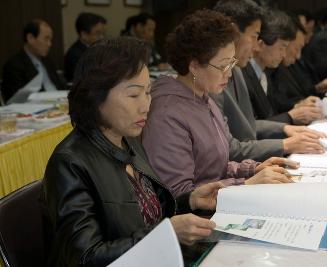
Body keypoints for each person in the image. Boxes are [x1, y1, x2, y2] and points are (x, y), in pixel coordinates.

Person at [40, 37, 225, 266]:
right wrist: (164, 235)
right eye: (133, 95)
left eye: (148, 92)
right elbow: (84, 257)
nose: (145, 105)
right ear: (96, 95)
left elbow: (146, 213)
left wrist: (190, 201)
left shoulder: (128, 139)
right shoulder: (69, 163)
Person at [142, 9, 295, 197]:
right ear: (194, 65)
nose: (229, 74)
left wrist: (252, 169)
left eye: (231, 64)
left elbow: (215, 166)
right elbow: (178, 195)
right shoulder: (167, 113)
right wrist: (246, 183)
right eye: (223, 66)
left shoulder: (203, 95)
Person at [211, 0, 326, 158]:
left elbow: (247, 127)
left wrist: (284, 128)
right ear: (233, 33)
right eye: (254, 36)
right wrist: (285, 144)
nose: (255, 45)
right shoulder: (211, 76)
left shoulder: (236, 70)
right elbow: (228, 148)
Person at [242, 9, 323, 125]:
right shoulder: (242, 75)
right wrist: (290, 117)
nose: (284, 54)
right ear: (260, 45)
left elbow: (273, 108)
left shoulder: (264, 73)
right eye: (281, 48)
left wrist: (297, 106)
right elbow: (249, 128)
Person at [267, 14, 327, 114]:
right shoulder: (273, 67)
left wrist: (315, 89)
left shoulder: (284, 65)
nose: (298, 56)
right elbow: (277, 105)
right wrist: (298, 105)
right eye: (297, 48)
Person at [2, 19, 65, 103]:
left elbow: (60, 86)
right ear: (30, 38)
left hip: (61, 104)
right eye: (46, 39)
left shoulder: (48, 61)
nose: (50, 44)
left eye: (50, 40)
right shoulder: (14, 65)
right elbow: (14, 100)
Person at [64, 12, 106, 82]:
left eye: (103, 33)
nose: (102, 37)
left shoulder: (97, 48)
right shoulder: (75, 55)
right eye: (97, 33)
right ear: (84, 35)